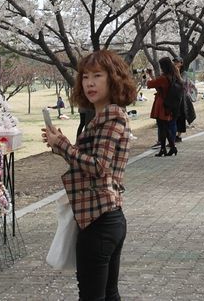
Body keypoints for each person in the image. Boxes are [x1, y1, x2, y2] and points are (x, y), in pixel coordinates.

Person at [41, 49, 135, 301]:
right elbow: (91, 163)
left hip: (99, 220)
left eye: (97, 75)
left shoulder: (111, 116)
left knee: (92, 296)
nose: (89, 83)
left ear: (113, 78)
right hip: (106, 217)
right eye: (85, 77)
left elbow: (97, 166)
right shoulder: (103, 116)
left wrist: (61, 145)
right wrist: (60, 144)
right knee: (107, 294)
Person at [146, 57, 182, 156]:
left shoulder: (163, 78)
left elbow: (150, 84)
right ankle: (169, 148)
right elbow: (158, 86)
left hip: (161, 104)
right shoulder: (173, 76)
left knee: (163, 127)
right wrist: (152, 75)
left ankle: (166, 148)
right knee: (164, 127)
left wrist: (148, 76)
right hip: (168, 104)